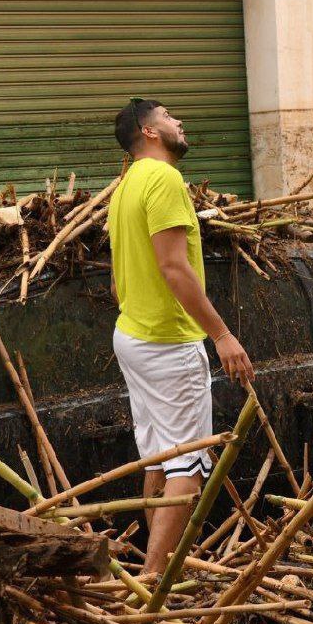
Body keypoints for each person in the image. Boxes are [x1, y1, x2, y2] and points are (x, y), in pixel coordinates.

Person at [108, 97, 254, 580]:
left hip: (132, 335)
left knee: (159, 458)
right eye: (169, 117)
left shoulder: (125, 186)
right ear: (150, 133)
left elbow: (117, 280)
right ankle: (154, 579)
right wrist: (223, 334)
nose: (179, 122)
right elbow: (174, 266)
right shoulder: (165, 179)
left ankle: (156, 565)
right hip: (169, 343)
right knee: (187, 469)